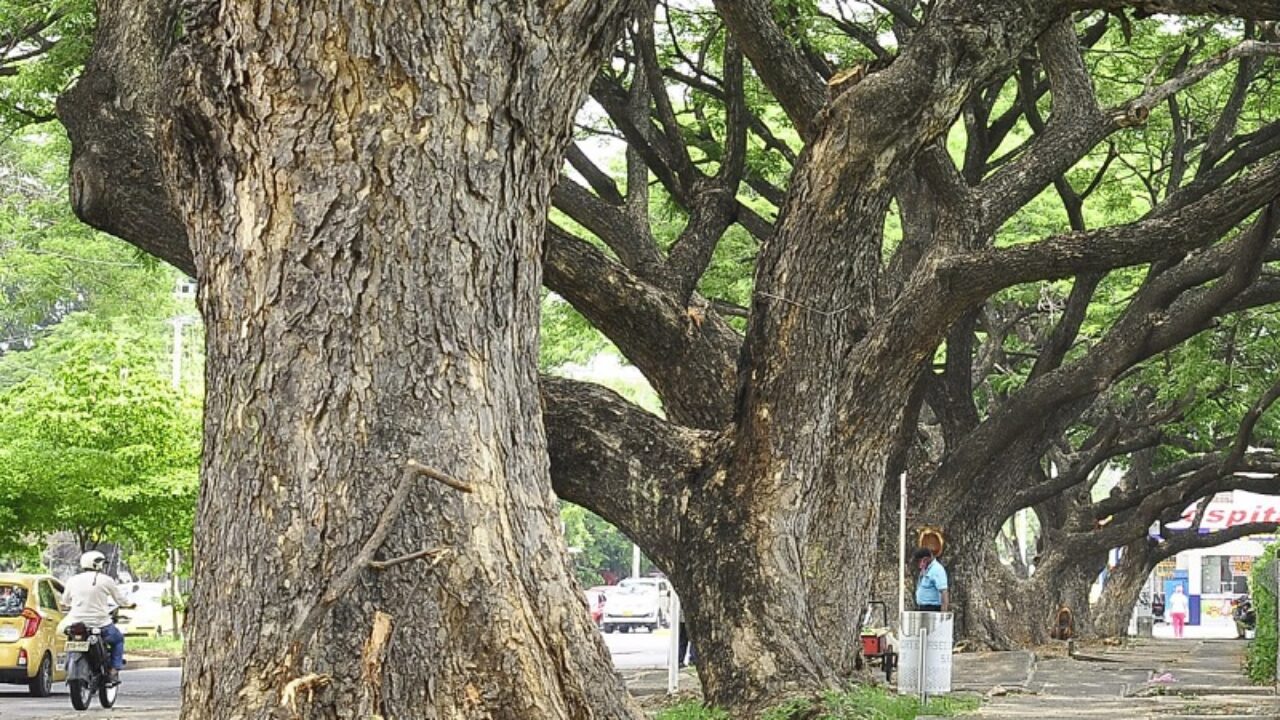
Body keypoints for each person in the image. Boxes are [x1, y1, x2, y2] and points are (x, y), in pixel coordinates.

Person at [60, 551, 135, 683]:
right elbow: (120, 600)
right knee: (118, 640)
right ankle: (114, 669)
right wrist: (130, 605)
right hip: (101, 624)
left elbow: (64, 602)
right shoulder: (106, 580)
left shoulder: (72, 580)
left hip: (76, 623)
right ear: (97, 564)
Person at [913, 547, 949, 612]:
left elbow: (944, 592)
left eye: (919, 561)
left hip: (933, 608)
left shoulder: (937, 569)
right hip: (923, 608)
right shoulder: (926, 569)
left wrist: (943, 614)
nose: (919, 564)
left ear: (925, 559)